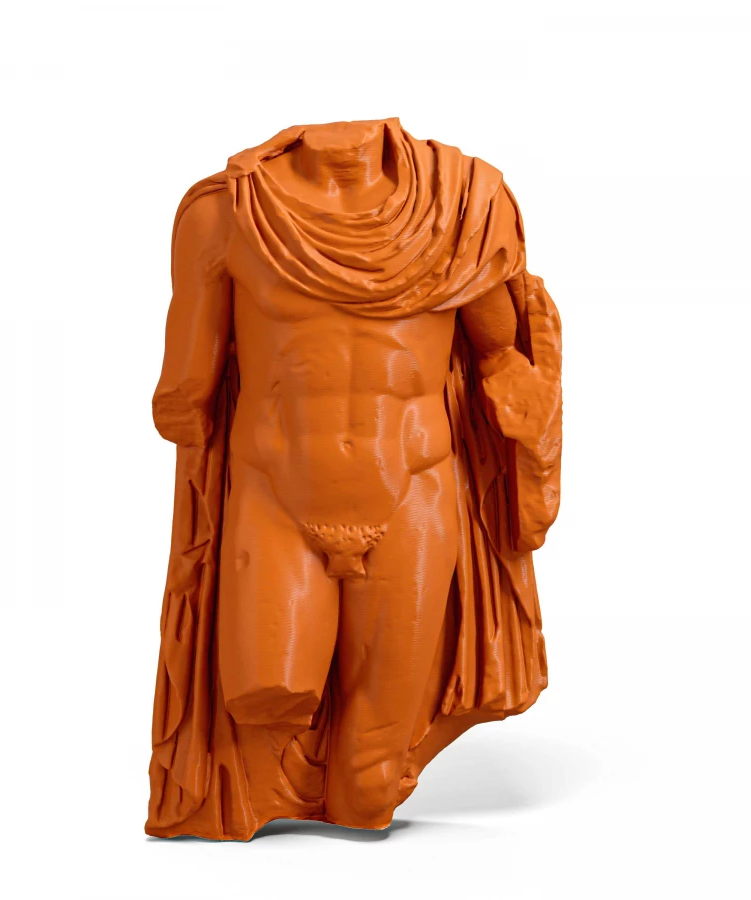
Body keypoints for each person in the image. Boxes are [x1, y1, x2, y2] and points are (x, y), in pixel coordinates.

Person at [146, 117, 562, 840]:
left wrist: (529, 411)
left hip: (413, 495)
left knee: (369, 782)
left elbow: (499, 349)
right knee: (262, 699)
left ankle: (368, 808)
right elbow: (184, 391)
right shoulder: (226, 214)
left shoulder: (463, 205)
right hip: (277, 495)